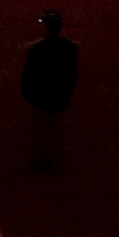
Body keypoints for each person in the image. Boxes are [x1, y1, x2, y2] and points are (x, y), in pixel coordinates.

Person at [21, 11, 81, 172]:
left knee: (40, 129)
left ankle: (39, 161)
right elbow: (73, 73)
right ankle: (56, 161)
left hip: (41, 97)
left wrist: (28, 94)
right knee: (57, 129)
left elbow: (29, 73)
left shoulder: (38, 49)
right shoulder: (69, 47)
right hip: (60, 95)